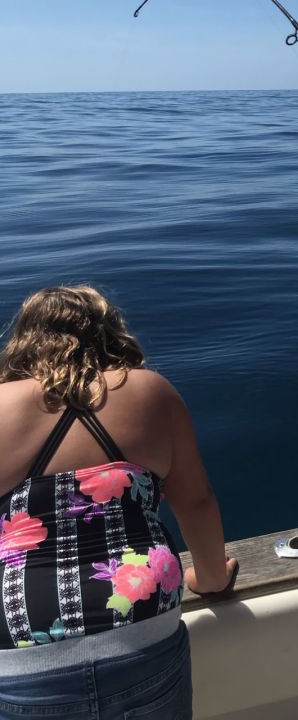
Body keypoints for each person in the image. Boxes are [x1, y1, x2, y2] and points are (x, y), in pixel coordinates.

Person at [0, 285, 237, 719]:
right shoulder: (149, 391)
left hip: (20, 642)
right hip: (144, 626)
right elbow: (197, 502)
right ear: (110, 332)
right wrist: (212, 579)